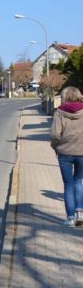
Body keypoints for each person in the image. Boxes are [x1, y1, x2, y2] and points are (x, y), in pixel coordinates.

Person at [50, 86, 83, 226]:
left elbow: (55, 135)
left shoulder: (60, 113)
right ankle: (80, 214)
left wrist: (55, 146)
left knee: (68, 184)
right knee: (79, 181)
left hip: (64, 153)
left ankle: (70, 218)